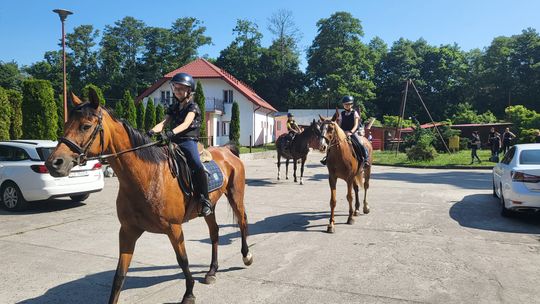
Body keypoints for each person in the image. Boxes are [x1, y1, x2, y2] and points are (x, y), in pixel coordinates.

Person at [147, 72, 213, 217]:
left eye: (181, 88)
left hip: (188, 141)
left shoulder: (193, 107)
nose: (177, 91)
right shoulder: (174, 106)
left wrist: (172, 133)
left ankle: (205, 200)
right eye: (176, 88)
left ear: (189, 91)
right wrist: (151, 131)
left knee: (196, 163)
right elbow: (164, 122)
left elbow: (186, 124)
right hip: (174, 140)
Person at [321, 95, 369, 166]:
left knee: (360, 143)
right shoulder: (342, 114)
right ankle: (327, 158)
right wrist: (340, 132)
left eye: (348, 104)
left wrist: (351, 132)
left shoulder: (354, 113)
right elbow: (339, 125)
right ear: (343, 105)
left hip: (352, 132)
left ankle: (365, 159)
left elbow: (356, 124)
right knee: (331, 144)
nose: (347, 105)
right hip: (343, 133)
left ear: (351, 105)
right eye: (345, 104)